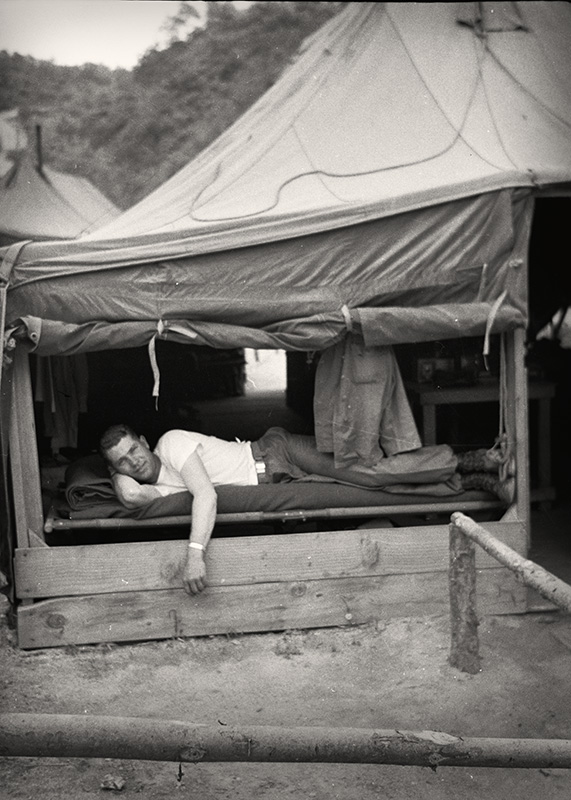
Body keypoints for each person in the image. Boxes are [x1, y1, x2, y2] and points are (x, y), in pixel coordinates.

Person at [99, 424, 515, 596]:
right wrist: (119, 478)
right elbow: (132, 497)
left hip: (277, 453)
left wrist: (194, 556)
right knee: (365, 486)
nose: (132, 461)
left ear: (144, 440)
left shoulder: (171, 444)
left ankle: (473, 459)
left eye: (133, 449)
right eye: (122, 461)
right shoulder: (151, 487)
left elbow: (205, 496)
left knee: (367, 474)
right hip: (279, 480)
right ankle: (477, 483)